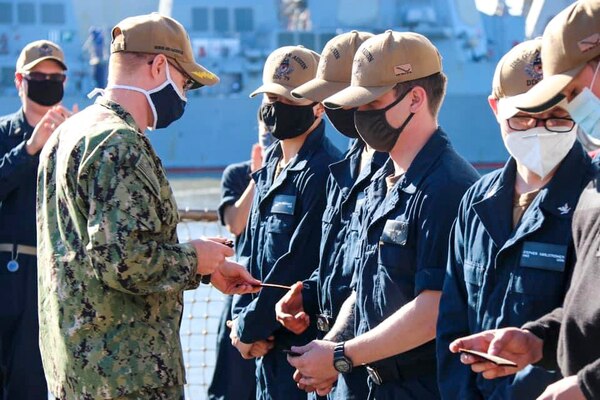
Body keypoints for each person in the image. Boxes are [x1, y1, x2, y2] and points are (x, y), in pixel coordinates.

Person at [36, 13, 260, 400]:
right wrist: (194, 259)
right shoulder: (118, 145)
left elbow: (95, 251)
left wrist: (206, 267)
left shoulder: (68, 134)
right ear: (159, 66)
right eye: (184, 81)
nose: (184, 94)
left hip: (77, 369)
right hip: (126, 375)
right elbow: (125, 262)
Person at [287, 30, 479, 400]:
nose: (360, 117)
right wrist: (329, 348)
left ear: (415, 99)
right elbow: (366, 286)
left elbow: (432, 308)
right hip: (369, 383)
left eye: (372, 104)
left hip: (423, 388)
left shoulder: (448, 189)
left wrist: (341, 356)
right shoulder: (382, 183)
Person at [450, 1, 600, 400]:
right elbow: (587, 313)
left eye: (567, 99)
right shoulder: (593, 194)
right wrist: (538, 342)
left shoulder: (584, 193)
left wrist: (587, 386)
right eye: (523, 117)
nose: (540, 129)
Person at [274, 30, 387, 400]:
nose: (325, 106)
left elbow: (379, 283)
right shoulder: (347, 166)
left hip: (371, 364)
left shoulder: (399, 174)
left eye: (331, 96)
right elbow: (342, 261)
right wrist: (306, 294)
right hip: (335, 359)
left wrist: (337, 351)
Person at [229, 45, 342, 400]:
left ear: (318, 105)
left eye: (290, 101)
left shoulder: (324, 172)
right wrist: (240, 322)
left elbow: (295, 262)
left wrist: (248, 329)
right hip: (265, 353)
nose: (277, 108)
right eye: (271, 98)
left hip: (303, 357)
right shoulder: (269, 168)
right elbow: (249, 252)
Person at [0, 39, 69, 400]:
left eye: (55, 76)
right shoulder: (2, 133)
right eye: (38, 76)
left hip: (46, 278)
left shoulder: (75, 138)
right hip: (3, 267)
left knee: (32, 382)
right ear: (19, 81)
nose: (47, 82)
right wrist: (29, 149)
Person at [208, 104, 275, 400]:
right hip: (240, 297)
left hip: (276, 296)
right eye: (266, 135)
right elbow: (235, 223)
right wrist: (258, 177)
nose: (271, 141)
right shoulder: (237, 175)